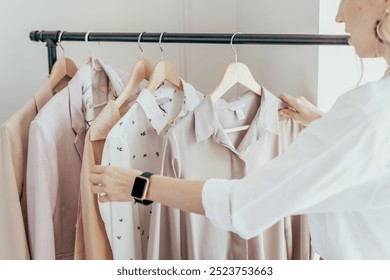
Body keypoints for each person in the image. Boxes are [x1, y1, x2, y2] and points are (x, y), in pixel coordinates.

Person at [90, 0, 390, 259]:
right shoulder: (368, 113)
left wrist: (141, 184)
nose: (339, 15)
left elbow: (243, 205)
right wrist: (326, 124)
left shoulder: (366, 112)